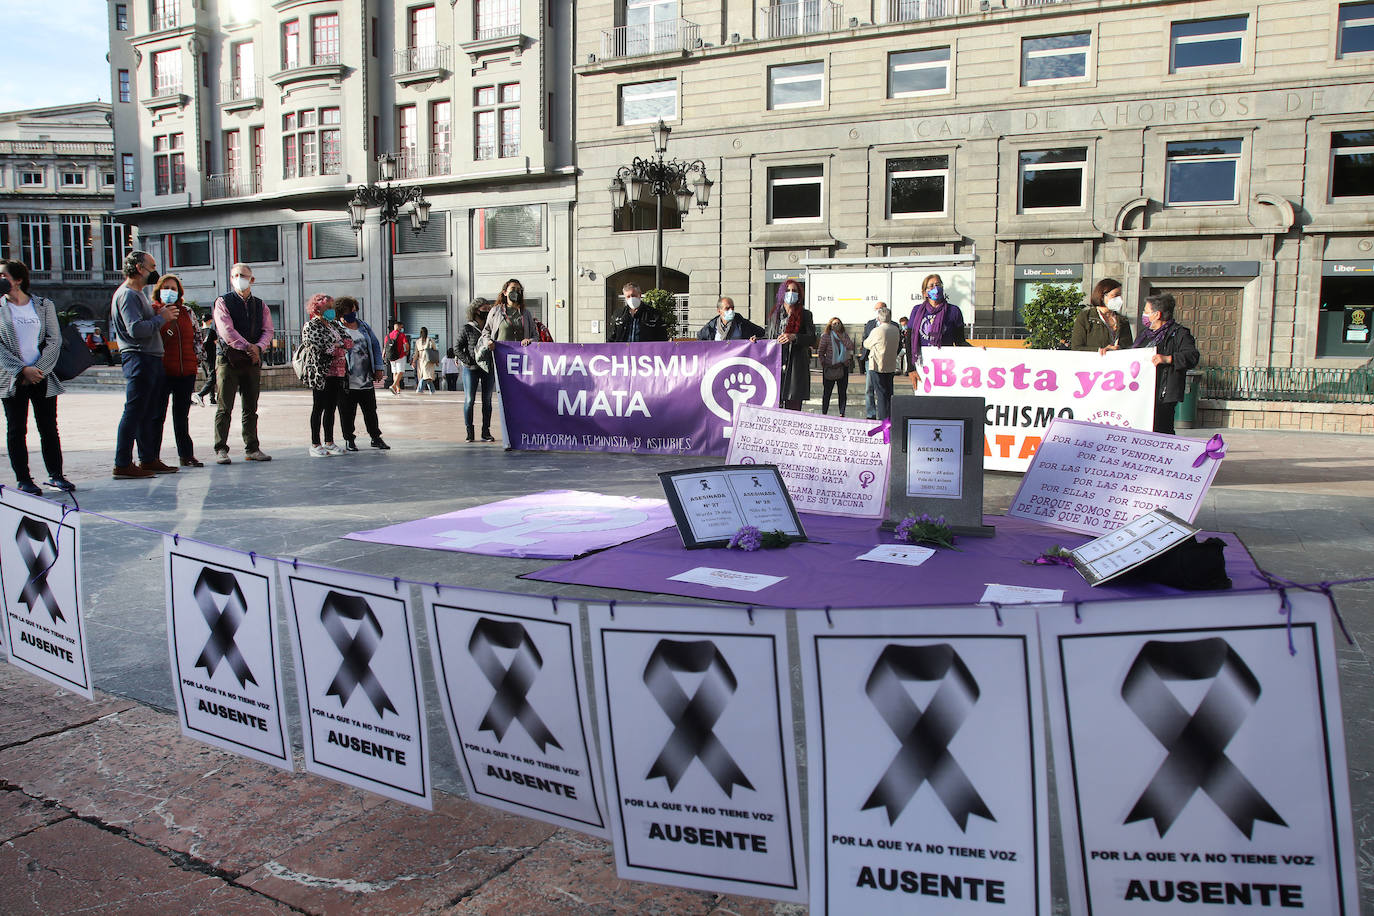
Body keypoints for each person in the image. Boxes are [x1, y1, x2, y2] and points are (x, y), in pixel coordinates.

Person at [0, 259, 72, 495]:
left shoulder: (43, 305)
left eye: (3, 275)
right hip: (12, 378)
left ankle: (56, 475)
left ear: (18, 279)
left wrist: (39, 369)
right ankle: (24, 478)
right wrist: (22, 370)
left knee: (49, 427)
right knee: (16, 428)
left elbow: (54, 340)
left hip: (43, 376)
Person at [111, 249, 179, 479]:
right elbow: (136, 329)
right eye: (151, 267)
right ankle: (122, 463)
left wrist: (157, 315)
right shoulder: (128, 295)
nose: (154, 272)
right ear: (139, 268)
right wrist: (162, 318)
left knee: (146, 411)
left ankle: (147, 458)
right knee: (134, 411)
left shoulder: (137, 294)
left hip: (149, 357)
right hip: (139, 357)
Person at [212, 262, 273, 464]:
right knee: (224, 406)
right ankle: (221, 448)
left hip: (252, 360)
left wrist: (259, 347)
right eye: (236, 275)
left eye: (244, 275)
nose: (239, 279)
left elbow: (268, 330)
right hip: (229, 359)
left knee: (250, 407)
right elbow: (226, 330)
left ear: (252, 279)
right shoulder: (223, 301)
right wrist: (249, 347)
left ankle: (252, 448)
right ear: (231, 278)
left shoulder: (260, 304)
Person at [150, 274, 203, 468]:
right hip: (162, 371)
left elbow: (197, 337)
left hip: (186, 370)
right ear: (158, 290)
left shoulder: (187, 312)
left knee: (182, 416)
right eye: (166, 288)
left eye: (173, 288)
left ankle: (186, 455)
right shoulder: (154, 312)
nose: (170, 292)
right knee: (157, 415)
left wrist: (197, 358)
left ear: (179, 292)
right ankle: (152, 457)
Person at [1133, 293, 1199, 435]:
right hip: (1142, 391)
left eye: (1146, 311)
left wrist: (1168, 359)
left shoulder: (1179, 333)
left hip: (1163, 393)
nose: (1143, 315)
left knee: (1161, 430)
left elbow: (1192, 356)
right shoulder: (1144, 335)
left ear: (1157, 314)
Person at [334, 297, 389, 451]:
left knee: (370, 410)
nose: (353, 313)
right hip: (346, 379)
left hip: (365, 377)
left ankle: (375, 437)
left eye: (354, 310)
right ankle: (349, 439)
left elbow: (375, 345)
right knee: (347, 412)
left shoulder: (363, 326)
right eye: (349, 310)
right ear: (341, 312)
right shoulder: (336, 329)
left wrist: (378, 367)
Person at [299, 293, 350, 457]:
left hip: (338, 371)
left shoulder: (334, 325)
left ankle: (329, 441)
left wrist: (338, 344)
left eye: (331, 308)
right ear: (317, 308)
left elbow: (348, 341)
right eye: (327, 308)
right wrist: (338, 345)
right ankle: (315, 443)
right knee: (318, 407)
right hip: (321, 373)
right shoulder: (311, 326)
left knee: (331, 408)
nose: (330, 311)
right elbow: (320, 346)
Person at [764, 279, 816, 411]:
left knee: (793, 403)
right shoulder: (774, 315)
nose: (791, 293)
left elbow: (812, 338)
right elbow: (768, 336)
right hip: (776, 362)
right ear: (782, 293)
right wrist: (756, 340)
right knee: (774, 400)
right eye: (788, 290)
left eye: (794, 291)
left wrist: (794, 337)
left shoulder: (805, 315)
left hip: (795, 365)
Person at [908, 273, 971, 365]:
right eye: (931, 286)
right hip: (922, 362)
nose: (935, 288)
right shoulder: (916, 310)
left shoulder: (954, 311)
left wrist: (976, 350)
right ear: (925, 293)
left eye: (938, 285)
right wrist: (911, 368)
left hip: (945, 363)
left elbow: (959, 341)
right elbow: (910, 339)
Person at [457, 298, 496, 442]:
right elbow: (457, 348)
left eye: (488, 309)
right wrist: (468, 361)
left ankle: (486, 432)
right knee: (469, 400)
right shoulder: (467, 328)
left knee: (487, 400)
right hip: (471, 369)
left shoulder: (491, 327)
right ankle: (469, 432)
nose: (486, 311)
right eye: (483, 309)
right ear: (475, 310)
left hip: (488, 368)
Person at [1071, 277, 1134, 354]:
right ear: (1102, 296)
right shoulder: (1086, 317)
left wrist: (1119, 349)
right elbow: (1076, 347)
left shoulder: (1122, 320)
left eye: (1120, 295)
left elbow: (1129, 347)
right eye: (1115, 295)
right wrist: (1099, 350)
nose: (1119, 299)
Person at [864, 307, 901, 421]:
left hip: (877, 364)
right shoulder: (895, 329)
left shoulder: (877, 330)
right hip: (890, 364)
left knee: (880, 394)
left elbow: (867, 344)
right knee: (889, 392)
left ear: (879, 318)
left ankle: (883, 419)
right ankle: (890, 416)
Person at [480, 278, 540, 348]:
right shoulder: (496, 311)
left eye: (518, 290)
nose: (516, 292)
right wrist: (488, 342)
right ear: (505, 292)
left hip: (520, 355)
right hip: (500, 354)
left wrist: (530, 341)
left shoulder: (526, 313)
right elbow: (486, 331)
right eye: (513, 289)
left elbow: (535, 335)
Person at [817, 317, 855, 416]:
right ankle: (824, 412)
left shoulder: (844, 335)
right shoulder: (826, 336)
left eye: (838, 323)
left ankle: (842, 412)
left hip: (842, 367)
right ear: (830, 325)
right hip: (830, 367)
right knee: (827, 392)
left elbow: (850, 347)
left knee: (842, 391)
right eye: (834, 323)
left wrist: (842, 338)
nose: (836, 325)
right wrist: (824, 363)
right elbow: (820, 352)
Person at [858, 301, 886, 419]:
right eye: (876, 309)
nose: (878, 310)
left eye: (881, 308)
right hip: (871, 359)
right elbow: (865, 339)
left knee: (884, 388)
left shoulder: (893, 324)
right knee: (869, 388)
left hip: (885, 360)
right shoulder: (870, 324)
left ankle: (884, 413)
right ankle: (871, 414)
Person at [696, 297, 763, 341]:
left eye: (732, 308)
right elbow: (700, 339)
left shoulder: (742, 323)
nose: (731, 310)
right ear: (719, 311)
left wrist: (754, 338)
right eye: (727, 308)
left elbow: (761, 332)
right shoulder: (711, 326)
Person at [194, 313, 217, 406]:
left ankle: (212, 399)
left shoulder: (199, 331)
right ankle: (200, 394)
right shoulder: (212, 331)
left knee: (209, 377)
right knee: (213, 378)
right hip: (211, 356)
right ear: (210, 320)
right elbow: (216, 343)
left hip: (203, 358)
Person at [384, 320, 409, 395]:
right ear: (398, 326)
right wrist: (407, 351)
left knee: (395, 372)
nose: (402, 328)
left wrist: (384, 355)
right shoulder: (401, 335)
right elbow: (406, 344)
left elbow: (385, 346)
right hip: (400, 355)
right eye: (401, 326)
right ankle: (393, 385)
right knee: (400, 372)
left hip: (391, 356)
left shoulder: (388, 335)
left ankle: (397, 389)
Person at [412, 326, 439, 393]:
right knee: (427, 377)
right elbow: (416, 352)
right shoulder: (418, 341)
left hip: (428, 360)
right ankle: (432, 390)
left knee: (426, 375)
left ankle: (419, 389)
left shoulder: (430, 340)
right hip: (421, 360)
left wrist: (436, 361)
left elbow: (434, 351)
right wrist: (414, 361)